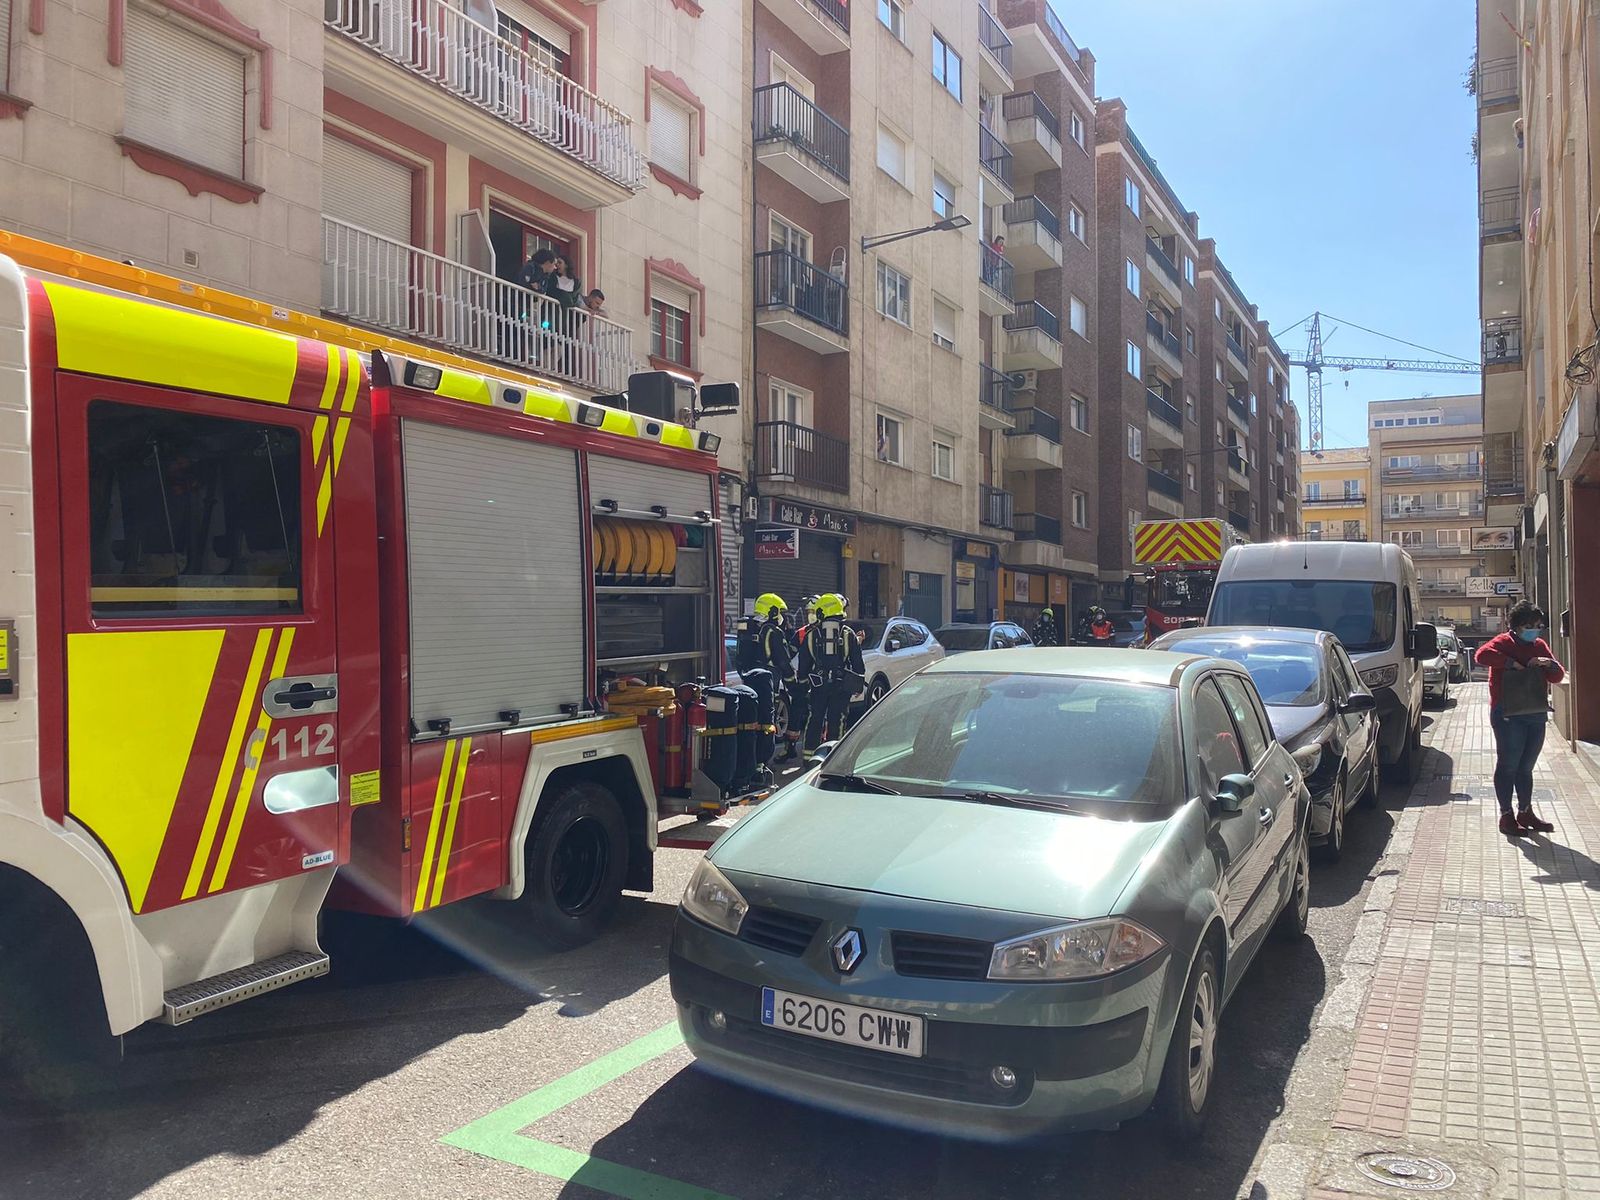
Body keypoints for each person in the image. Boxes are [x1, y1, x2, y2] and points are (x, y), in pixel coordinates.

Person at [1475, 602, 1566, 836]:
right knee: (1508, 765)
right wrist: (1513, 664)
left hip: (1535, 713)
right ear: (1515, 627)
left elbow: (1557, 677)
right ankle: (1506, 816)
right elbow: (1481, 655)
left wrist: (1549, 664)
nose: (1534, 630)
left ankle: (1525, 812)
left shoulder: (1539, 645)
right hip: (1508, 713)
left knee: (1526, 767)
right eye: (1529, 626)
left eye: (1538, 626)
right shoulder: (1504, 642)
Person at [799, 593, 865, 761]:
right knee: (838, 719)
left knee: (815, 719)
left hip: (818, 686)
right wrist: (857, 684)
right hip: (841, 686)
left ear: (821, 612)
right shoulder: (849, 634)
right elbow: (858, 664)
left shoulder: (811, 635)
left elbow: (803, 666)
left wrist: (803, 685)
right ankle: (834, 758)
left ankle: (809, 758)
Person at [779, 596, 818, 762]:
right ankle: (789, 748)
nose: (810, 615)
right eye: (808, 611)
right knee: (795, 716)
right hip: (801, 682)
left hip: (818, 683)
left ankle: (816, 750)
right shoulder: (802, 633)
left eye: (813, 612)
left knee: (817, 717)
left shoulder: (826, 631)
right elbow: (789, 653)